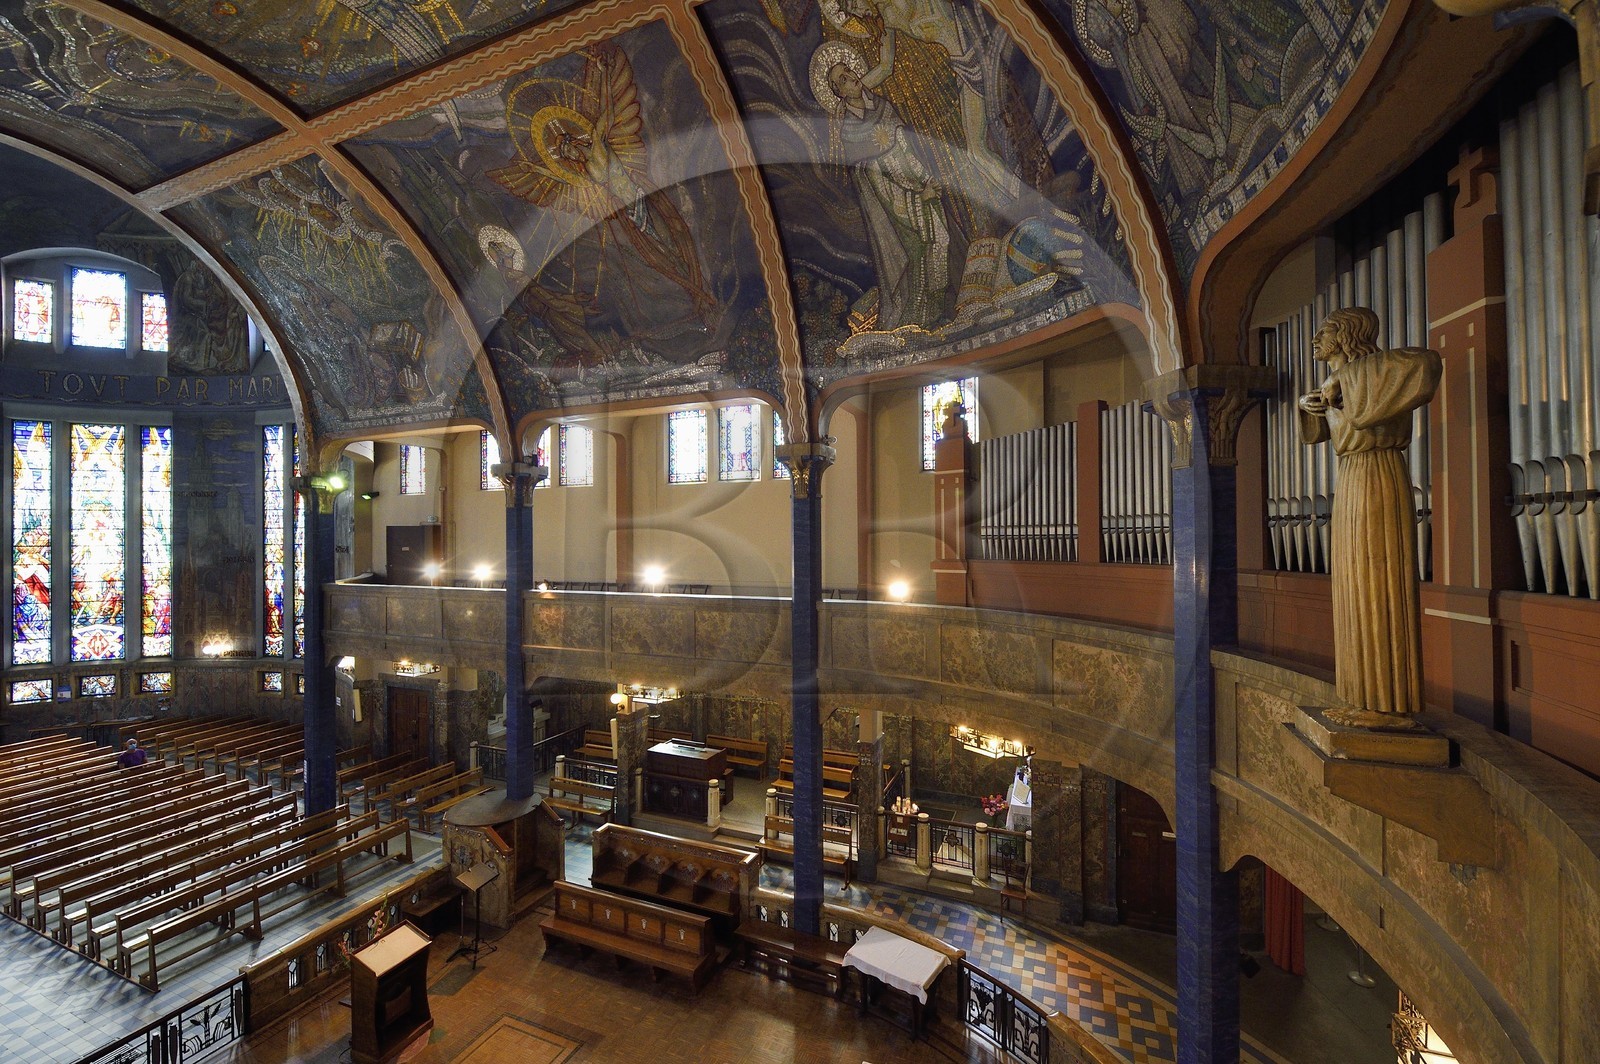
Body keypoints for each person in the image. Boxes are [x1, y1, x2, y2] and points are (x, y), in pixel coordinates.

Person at [1297, 306, 1441, 727]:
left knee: (1380, 586)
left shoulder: (1372, 369)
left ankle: (1391, 705)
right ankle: (1362, 696)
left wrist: (1343, 383)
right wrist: (1313, 406)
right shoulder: (1335, 382)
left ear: (1346, 334)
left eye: (1323, 331)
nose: (1313, 341)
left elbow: (1427, 365)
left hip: (1378, 476)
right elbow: (1327, 425)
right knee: (1354, 590)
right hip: (1351, 481)